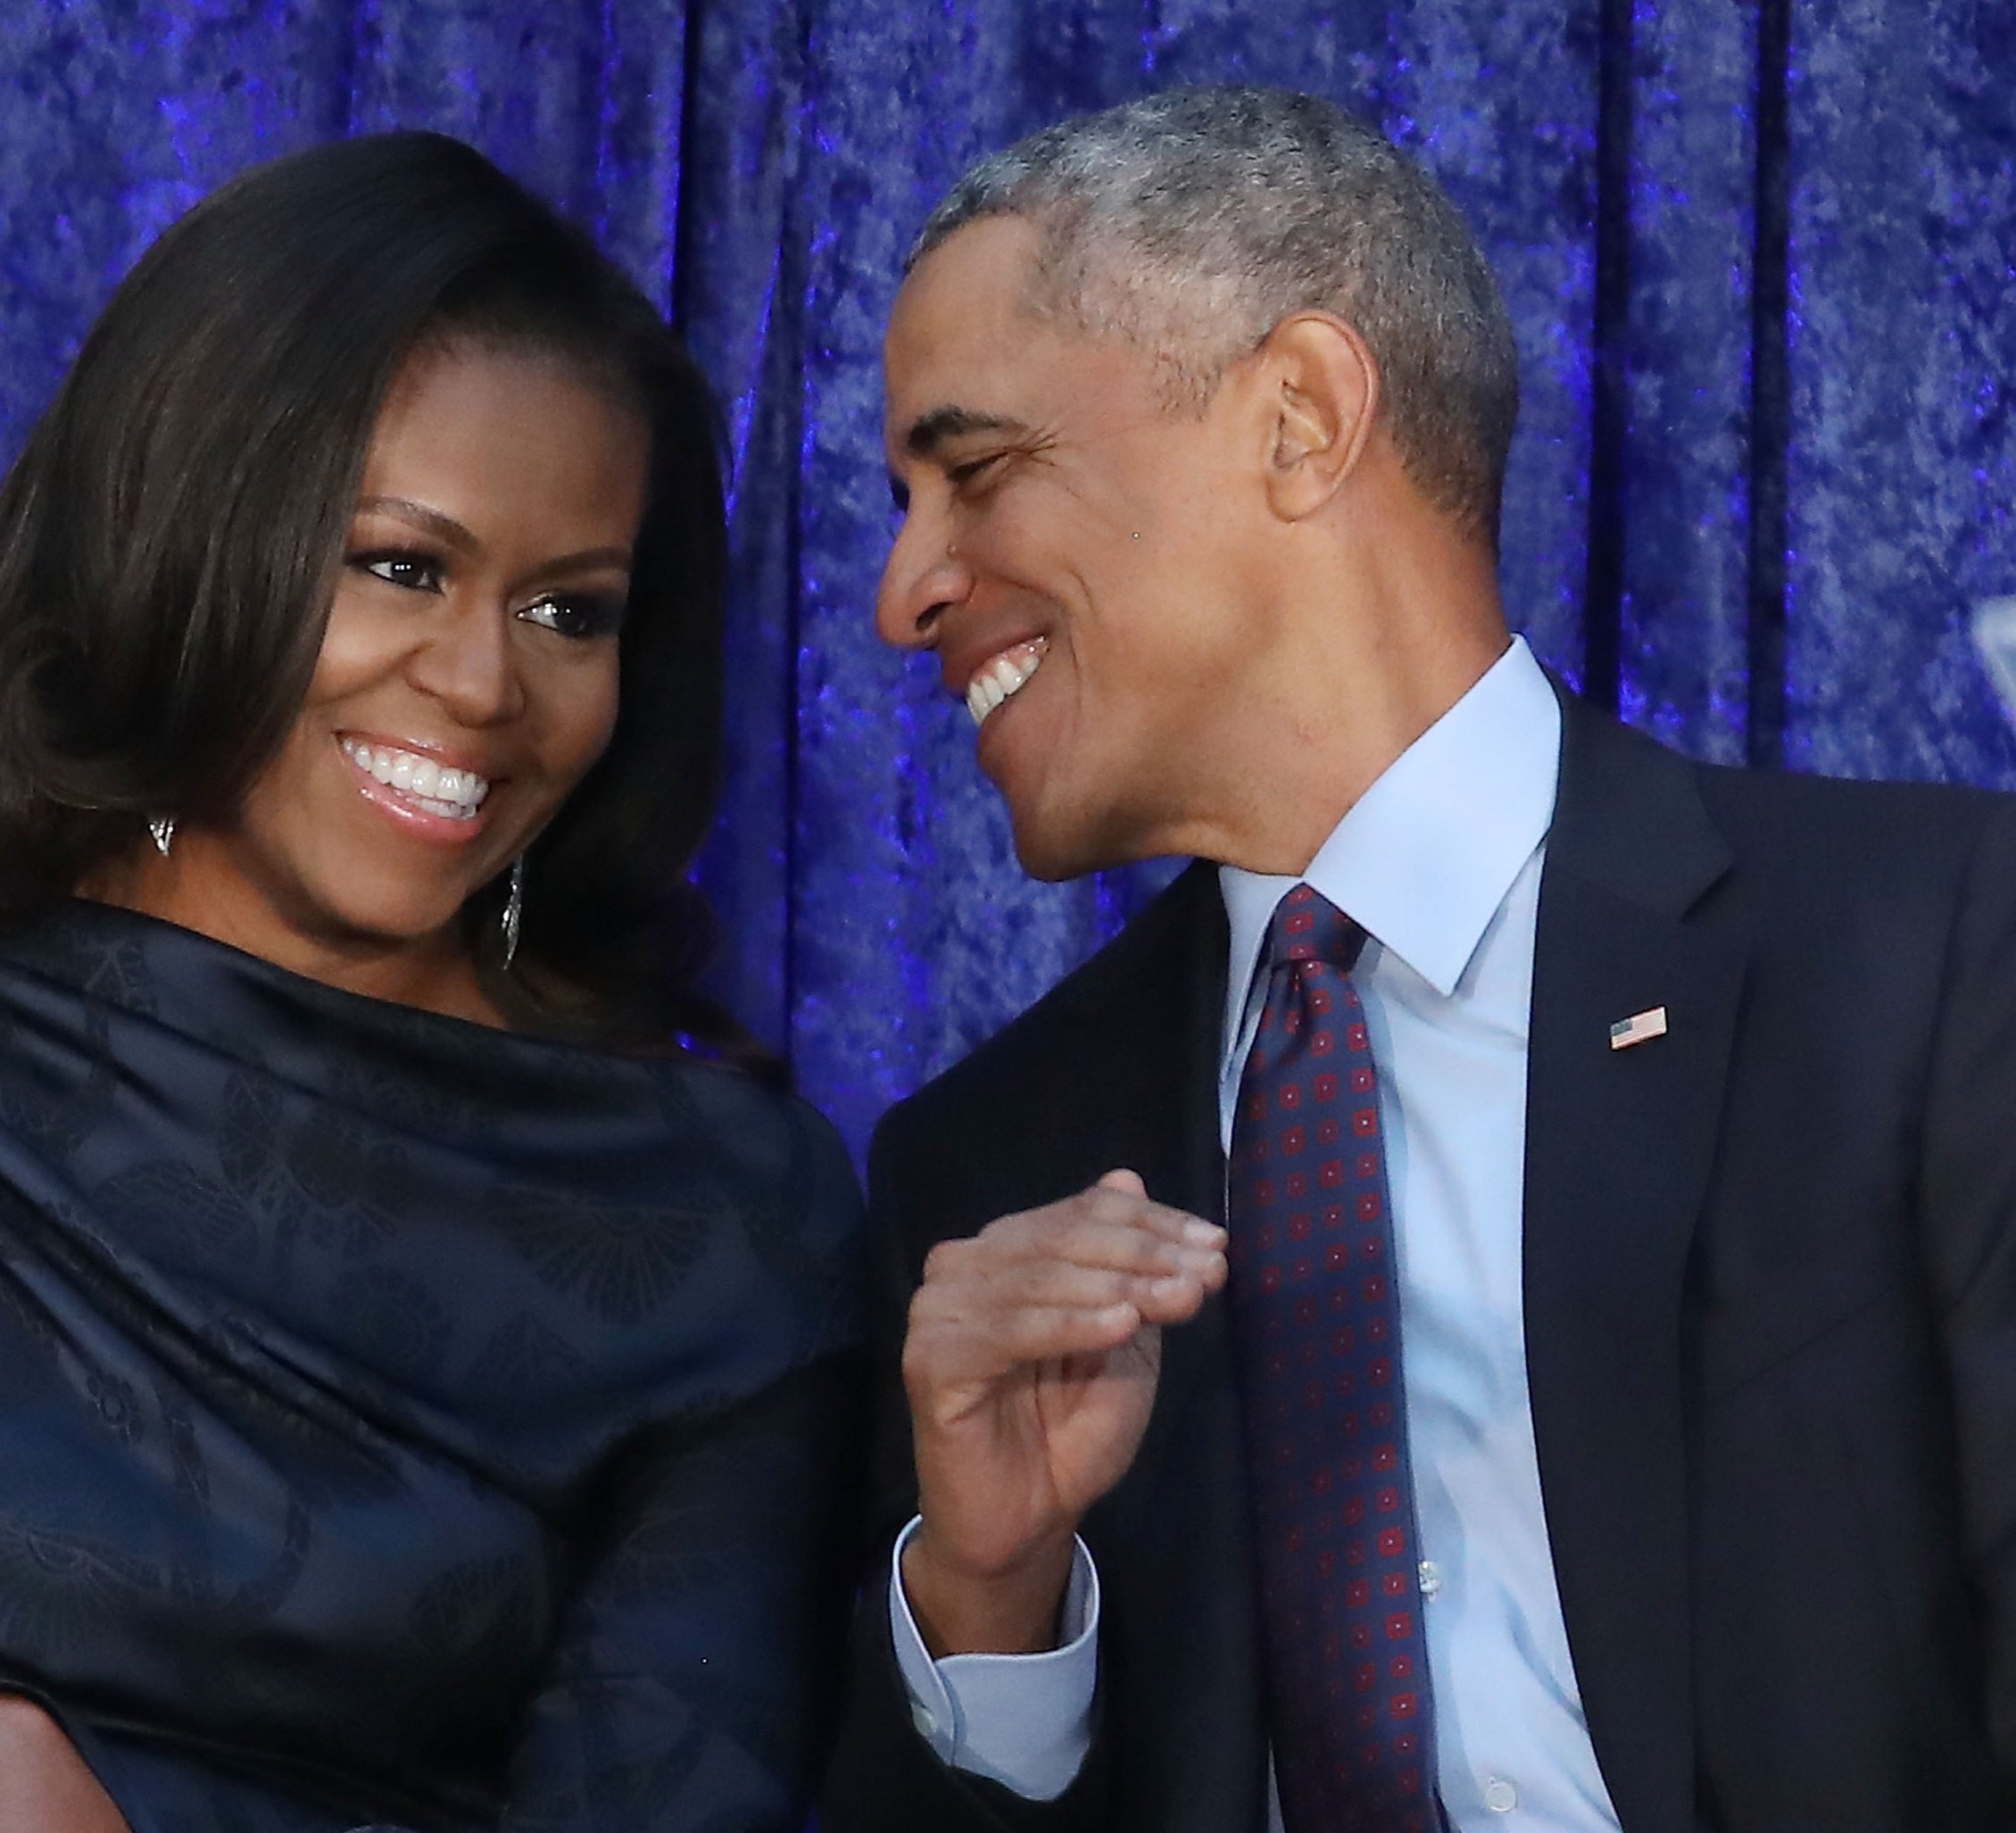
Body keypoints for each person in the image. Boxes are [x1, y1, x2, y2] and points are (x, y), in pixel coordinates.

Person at [0, 129, 867, 1833]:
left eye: (570, 610)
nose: (483, 682)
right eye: (401, 565)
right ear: (184, 536)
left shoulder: (718, 1222)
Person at [814, 84, 2016, 1833]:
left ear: (1299, 417)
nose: (904, 587)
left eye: (974, 470)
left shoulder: (1930, 954)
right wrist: (993, 1603)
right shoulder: (982, 1173)